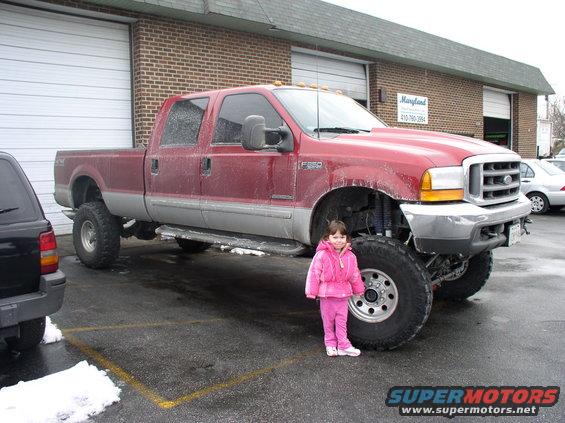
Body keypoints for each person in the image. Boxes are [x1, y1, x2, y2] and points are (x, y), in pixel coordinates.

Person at [305, 220, 365, 357]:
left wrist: (359, 290)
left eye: (342, 237)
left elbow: (355, 275)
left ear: (346, 239)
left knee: (341, 321)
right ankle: (330, 344)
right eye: (335, 237)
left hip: (343, 295)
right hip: (327, 296)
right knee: (328, 321)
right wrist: (311, 291)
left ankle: (343, 345)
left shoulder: (350, 256)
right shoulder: (321, 255)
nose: (339, 240)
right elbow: (314, 273)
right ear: (328, 238)